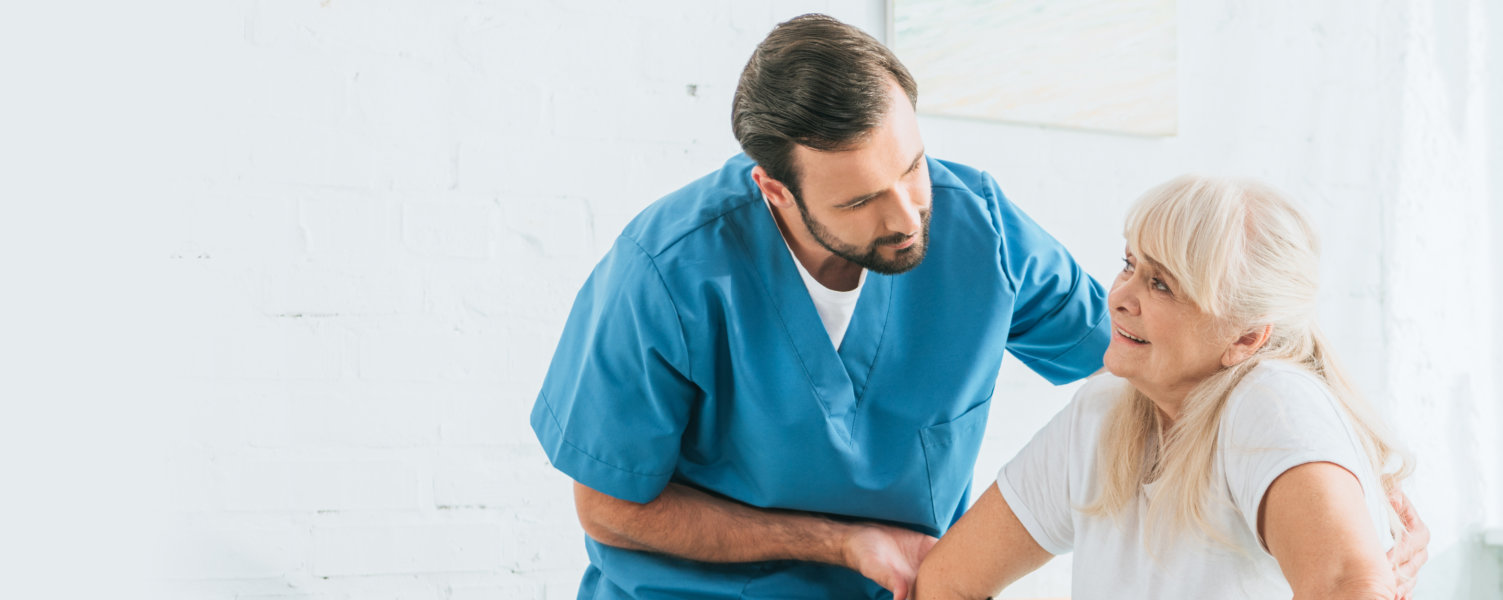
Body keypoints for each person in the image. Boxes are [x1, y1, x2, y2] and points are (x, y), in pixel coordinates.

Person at [530, 14, 1429, 600]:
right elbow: (610, 507)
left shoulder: (976, 230)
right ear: (775, 192)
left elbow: (1156, 349)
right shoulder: (670, 274)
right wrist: (844, 545)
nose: (907, 215)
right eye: (858, 203)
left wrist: (1337, 466)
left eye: (912, 168)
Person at [914, 175, 1423, 600]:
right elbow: (946, 581)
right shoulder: (1103, 408)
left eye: (1162, 285)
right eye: (1130, 265)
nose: (1118, 299)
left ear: (1246, 337)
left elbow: (1350, 586)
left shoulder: (1271, 402)